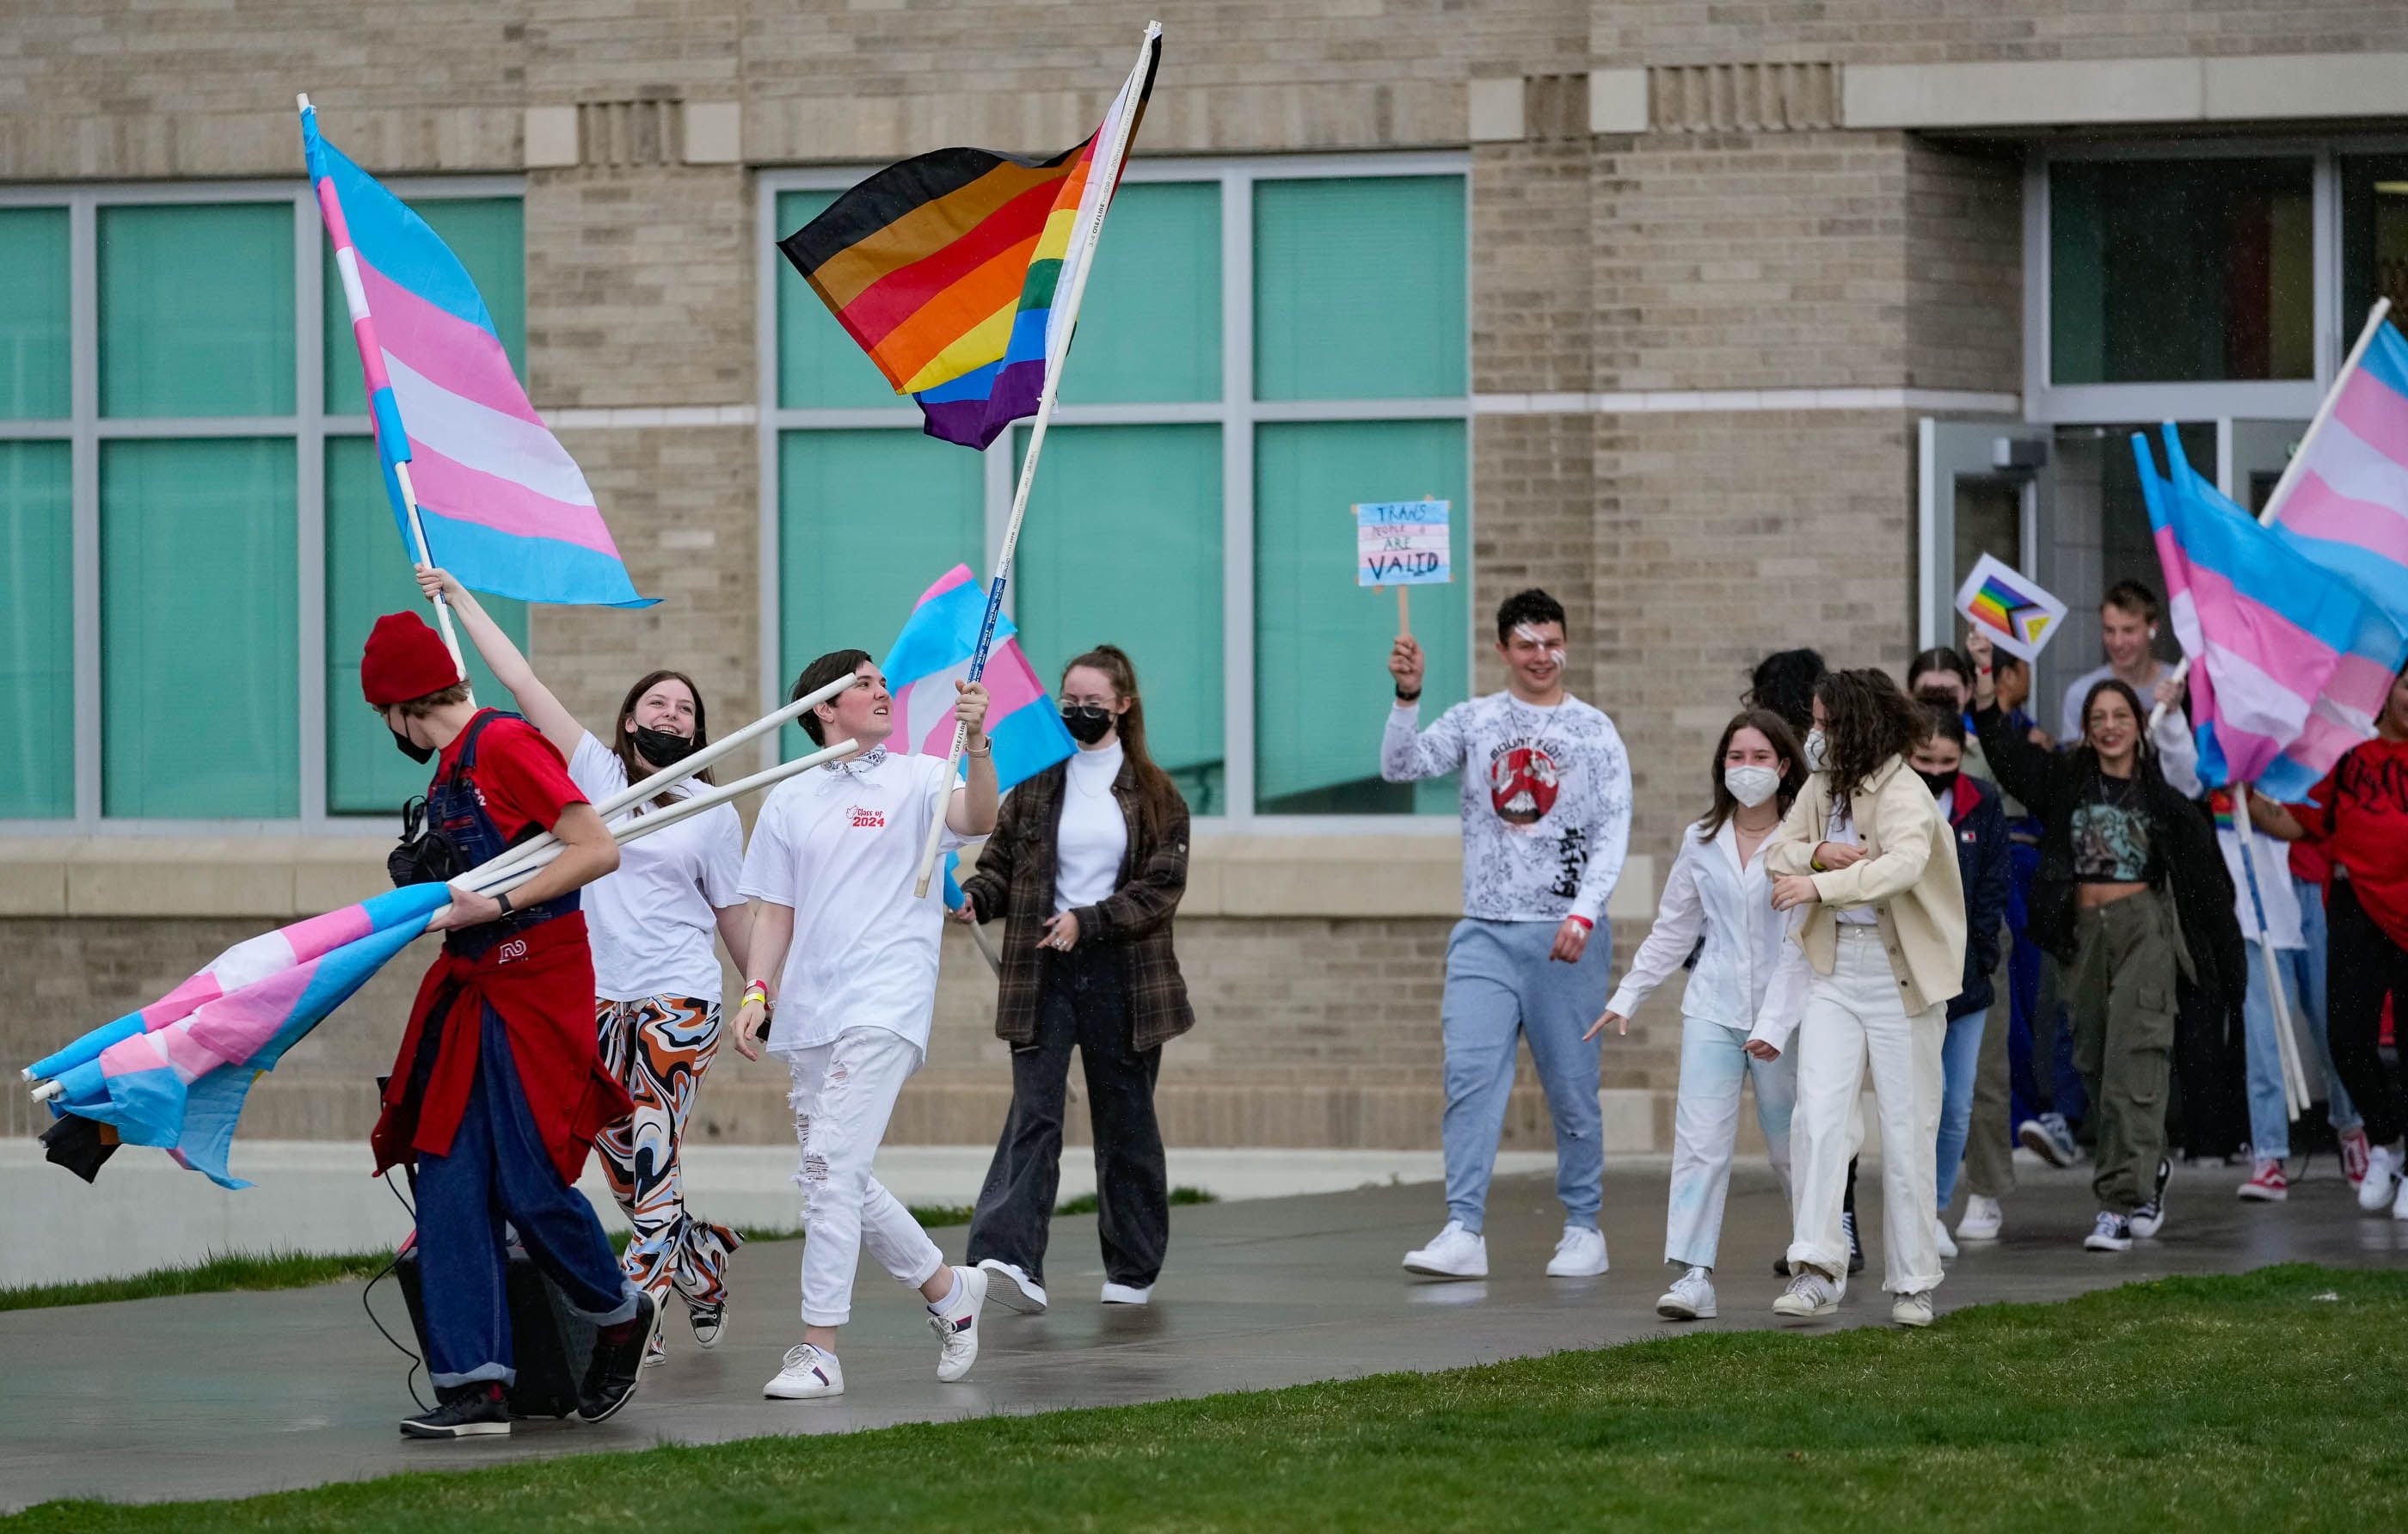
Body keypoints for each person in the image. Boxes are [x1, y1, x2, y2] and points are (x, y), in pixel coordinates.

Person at [421, 567, 749, 1362]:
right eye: (658, 704)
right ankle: (700, 1259)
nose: (672, 715)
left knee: (652, 1141)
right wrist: (464, 598)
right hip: (594, 1004)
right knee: (629, 1176)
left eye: (686, 709)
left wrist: (763, 996)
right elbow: (521, 682)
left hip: (681, 1001)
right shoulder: (594, 778)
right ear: (630, 719)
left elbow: (734, 916)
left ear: (697, 730)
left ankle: (633, 1322)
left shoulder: (713, 811)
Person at [359, 611, 654, 1439]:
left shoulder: (504, 745)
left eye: (382, 716)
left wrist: (495, 901)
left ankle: (619, 1312)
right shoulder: (450, 769)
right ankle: (476, 1387)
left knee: (527, 1182)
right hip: (474, 984)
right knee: (448, 1176)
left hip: (537, 982)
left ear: (399, 706)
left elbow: (595, 847)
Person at [732, 651, 999, 1399]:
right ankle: (951, 1292)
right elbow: (773, 911)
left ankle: (819, 1351)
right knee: (837, 1174)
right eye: (864, 683)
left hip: (886, 1001)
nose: (883, 691)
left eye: (883, 682)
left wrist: (977, 744)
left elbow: (979, 819)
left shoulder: (918, 775)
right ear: (822, 708)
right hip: (813, 1010)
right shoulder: (787, 797)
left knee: (826, 1172)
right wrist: (758, 990)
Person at [1383, 589, 1632, 1279]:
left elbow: (1616, 826)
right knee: (1469, 1077)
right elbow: (1402, 766)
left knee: (1572, 1085)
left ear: (1566, 645)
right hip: (1485, 932)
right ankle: (1463, 1228)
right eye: (1527, 644)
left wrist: (1585, 910)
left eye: (1552, 642)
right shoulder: (1476, 719)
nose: (1541, 656)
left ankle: (1584, 1227)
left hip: (1565, 935)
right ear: (1502, 650)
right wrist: (1408, 697)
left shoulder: (1594, 731)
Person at [1968, 628, 2240, 1252]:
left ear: (2139, 724)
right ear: (2087, 728)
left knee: (2134, 1065)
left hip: (2145, 929)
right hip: (2084, 935)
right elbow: (2005, 754)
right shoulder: (2067, 780)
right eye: (2099, 717)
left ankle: (2120, 1202)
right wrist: (1985, 673)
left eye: (2121, 716)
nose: (2111, 726)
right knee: (2093, 1061)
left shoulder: (2162, 788)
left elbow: (2199, 837)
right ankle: (2149, 1167)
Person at [957, 646, 1195, 1311]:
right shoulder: (1035, 781)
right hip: (1044, 972)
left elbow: (1161, 888)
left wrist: (1087, 922)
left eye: (1093, 702)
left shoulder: (1156, 794)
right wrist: (977, 895)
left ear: (1123, 705)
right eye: (1070, 699)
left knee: (1126, 1123)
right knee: (1035, 1114)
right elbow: (1000, 864)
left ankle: (1132, 1268)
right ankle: (1009, 1261)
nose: (1079, 711)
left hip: (1124, 977)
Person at [1755, 670, 1964, 1328]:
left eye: (1823, 723)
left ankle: (1913, 1282)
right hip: (1834, 971)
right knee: (1817, 1119)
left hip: (1902, 980)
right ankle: (1816, 1268)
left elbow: (1902, 866)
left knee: (1906, 1129)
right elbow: (1777, 850)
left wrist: (1819, 887)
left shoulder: (1906, 791)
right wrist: (1817, 853)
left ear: (1856, 726)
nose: (1813, 735)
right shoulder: (1821, 788)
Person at [1588, 709, 1805, 1323]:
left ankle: (1815, 1259)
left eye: (1760, 757)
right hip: (1712, 1007)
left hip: (1783, 1017)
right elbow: (1674, 929)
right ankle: (1693, 1275)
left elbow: (1804, 941)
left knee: (1792, 1145)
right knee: (1701, 1143)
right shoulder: (1701, 840)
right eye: (1736, 757)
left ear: (1784, 765)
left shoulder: (1801, 838)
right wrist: (1626, 996)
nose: (1747, 768)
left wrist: (1777, 1022)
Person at [2248, 663, 2408, 1218]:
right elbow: (2298, 824)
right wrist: (2243, 790)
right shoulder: (2349, 758)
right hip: (2356, 908)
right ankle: (2386, 1143)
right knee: (2347, 1038)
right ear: (2387, 692)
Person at [1909, 705, 2010, 1260]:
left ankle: (1936, 1209)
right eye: (1925, 761)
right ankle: (1914, 1212)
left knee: (1957, 1105)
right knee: (1915, 1102)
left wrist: (1984, 954)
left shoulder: (1980, 802)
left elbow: (1994, 884)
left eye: (1947, 762)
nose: (1936, 772)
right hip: (1909, 979)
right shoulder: (1893, 798)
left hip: (1966, 982)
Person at [2206, 783, 2313, 1201]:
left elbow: (2303, 826)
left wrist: (2255, 800)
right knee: (2264, 1038)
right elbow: (2188, 775)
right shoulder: (2224, 761)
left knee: (2336, 1031)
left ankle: (2357, 1133)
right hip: (2258, 909)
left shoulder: (2307, 746)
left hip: (2318, 890)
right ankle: (2269, 1154)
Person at [2284, 830, 2370, 1186]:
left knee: (2329, 1018)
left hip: (2317, 879)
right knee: (2266, 1031)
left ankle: (2352, 1129)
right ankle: (2267, 1153)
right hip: (2261, 877)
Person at [2057, 580, 2177, 744]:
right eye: (2109, 630)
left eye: (2128, 630)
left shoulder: (2178, 683)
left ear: (2152, 629)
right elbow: (2074, 762)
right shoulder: (2081, 693)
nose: (2117, 642)